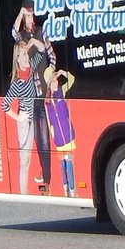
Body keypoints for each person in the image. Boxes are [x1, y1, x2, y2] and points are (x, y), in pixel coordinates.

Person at [11, 0, 55, 188]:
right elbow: (12, 32)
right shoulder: (20, 36)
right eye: (27, 15)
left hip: (42, 93)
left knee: (43, 137)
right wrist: (20, 13)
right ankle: (28, 181)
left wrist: (50, 75)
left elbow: (49, 53)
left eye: (31, 14)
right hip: (29, 96)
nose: (30, 18)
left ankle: (47, 176)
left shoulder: (40, 32)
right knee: (30, 139)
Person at [1, 40, 39, 194]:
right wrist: (18, 117)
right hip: (24, 124)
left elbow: (41, 51)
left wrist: (30, 44)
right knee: (24, 161)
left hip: (33, 120)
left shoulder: (30, 73)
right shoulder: (17, 83)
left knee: (30, 157)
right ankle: (24, 192)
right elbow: (5, 105)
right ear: (17, 59)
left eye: (26, 53)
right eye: (22, 54)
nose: (26, 56)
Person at [44, 66, 77, 198]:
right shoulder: (46, 101)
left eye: (56, 80)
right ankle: (65, 188)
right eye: (53, 81)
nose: (56, 83)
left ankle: (72, 189)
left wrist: (63, 73)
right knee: (62, 165)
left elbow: (72, 79)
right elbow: (48, 120)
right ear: (49, 83)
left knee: (69, 163)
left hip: (67, 135)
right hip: (58, 137)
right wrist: (52, 133)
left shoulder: (61, 92)